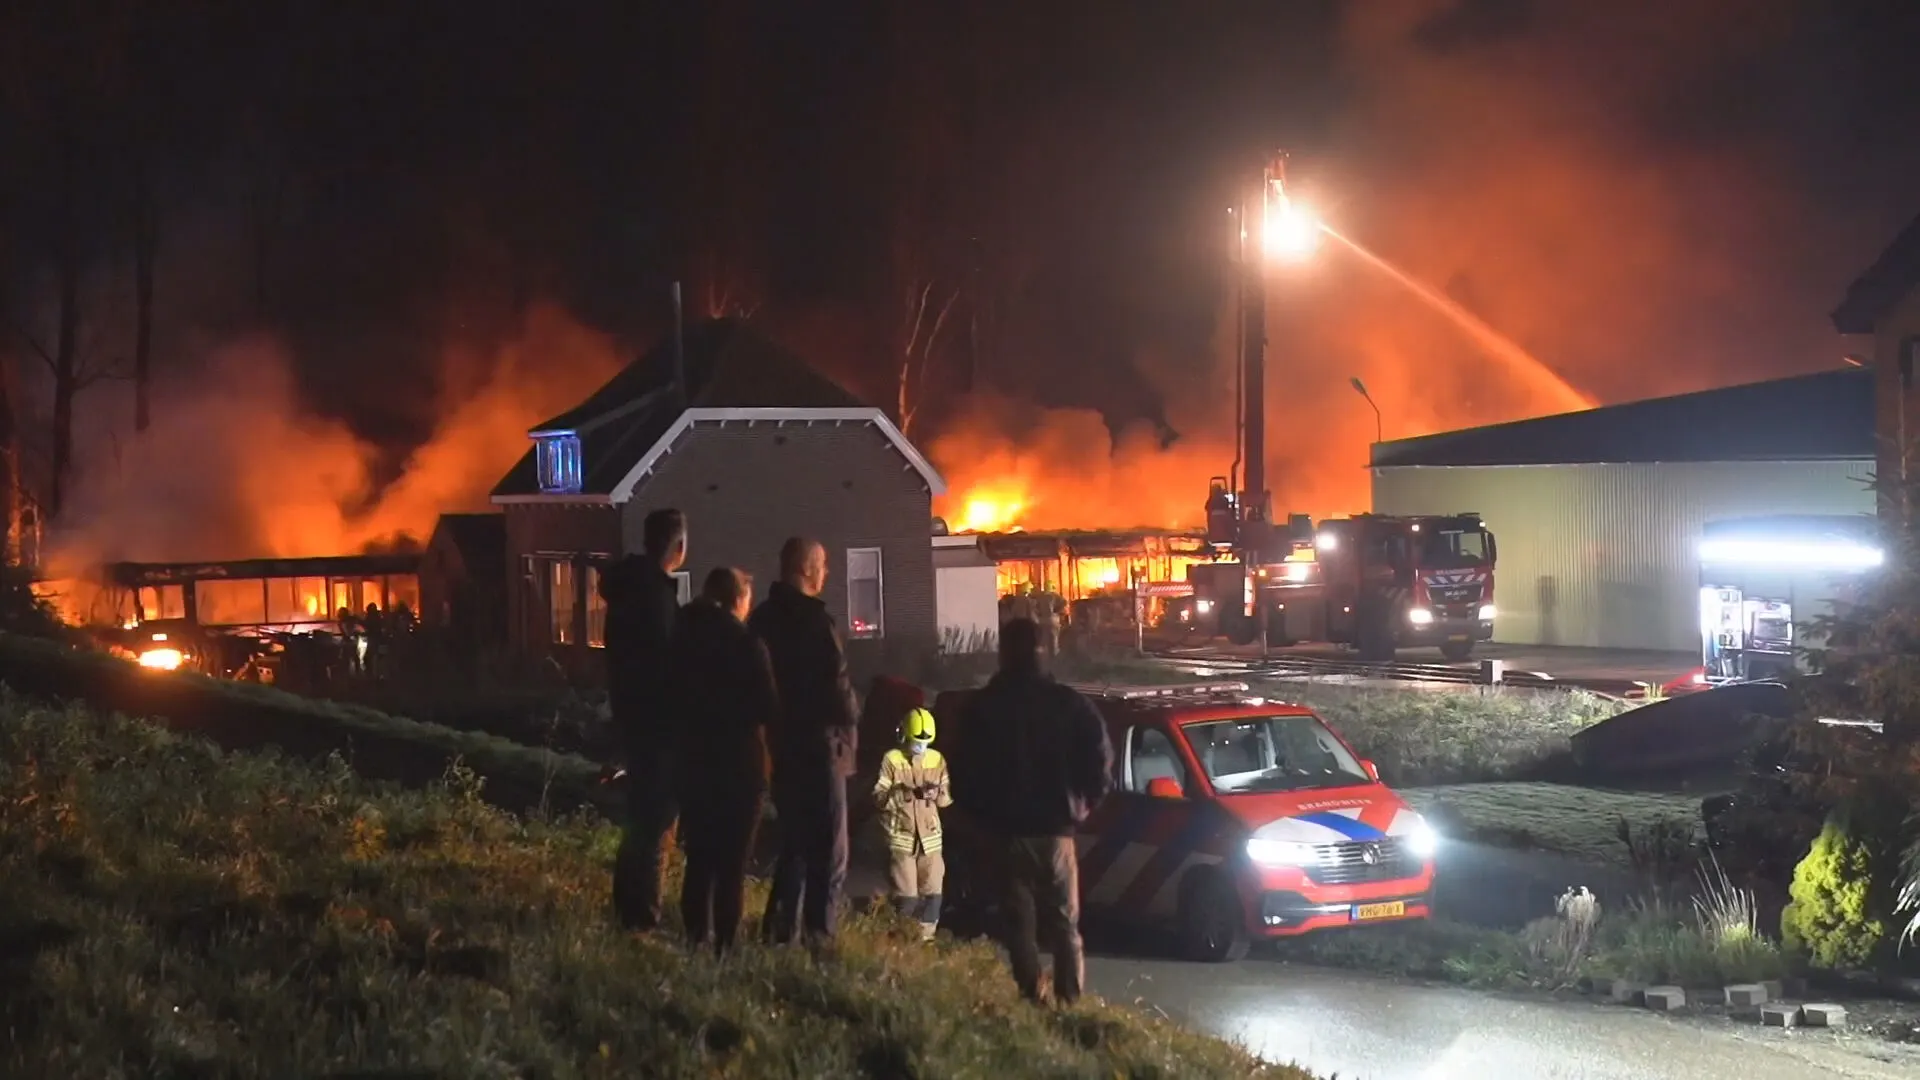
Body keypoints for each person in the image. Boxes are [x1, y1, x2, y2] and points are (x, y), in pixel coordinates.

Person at [949, 617, 1112, 1006]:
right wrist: (1084, 805)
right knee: (1065, 925)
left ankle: (1033, 996)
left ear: (1004, 653)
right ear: (1046, 651)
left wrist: (976, 820)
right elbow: (1100, 762)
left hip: (1004, 835)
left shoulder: (983, 708)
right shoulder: (1072, 706)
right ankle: (1070, 1003)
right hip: (1057, 832)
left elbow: (963, 769)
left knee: (1018, 925)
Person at [750, 536, 859, 946]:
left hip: (782, 746)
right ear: (807, 568)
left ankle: (779, 932)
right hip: (821, 746)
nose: (827, 573)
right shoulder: (817, 623)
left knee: (794, 841)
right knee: (830, 848)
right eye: (824, 565)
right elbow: (838, 684)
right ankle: (820, 935)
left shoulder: (761, 620)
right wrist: (853, 715)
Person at [669, 567, 779, 955]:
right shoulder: (746, 643)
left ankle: (695, 937)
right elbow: (768, 707)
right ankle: (726, 948)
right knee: (732, 863)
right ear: (738, 600)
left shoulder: (680, 639)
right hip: (738, 765)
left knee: (699, 855)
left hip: (693, 760)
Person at [602, 508, 689, 932]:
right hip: (656, 731)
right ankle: (643, 921)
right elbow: (665, 671)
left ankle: (627, 912)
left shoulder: (628, 593)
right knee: (656, 826)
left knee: (639, 822)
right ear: (679, 548)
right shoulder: (656, 600)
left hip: (633, 724)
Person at [872, 706, 951, 942]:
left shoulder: (937, 760)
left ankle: (924, 944)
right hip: (901, 839)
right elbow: (879, 797)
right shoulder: (892, 760)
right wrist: (907, 794)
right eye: (916, 741)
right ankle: (897, 943)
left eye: (925, 742)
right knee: (905, 898)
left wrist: (936, 793)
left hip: (931, 840)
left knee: (933, 895)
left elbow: (945, 799)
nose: (920, 747)